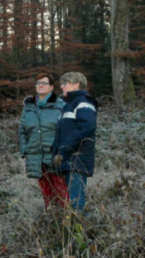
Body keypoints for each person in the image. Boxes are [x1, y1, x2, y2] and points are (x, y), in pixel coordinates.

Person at [51, 72, 98, 214]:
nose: (62, 86)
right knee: (66, 205)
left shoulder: (83, 102)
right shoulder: (67, 105)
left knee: (76, 205)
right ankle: (72, 233)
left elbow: (87, 126)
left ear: (76, 84)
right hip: (66, 160)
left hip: (77, 160)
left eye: (65, 83)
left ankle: (84, 233)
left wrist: (64, 149)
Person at [18, 73, 67, 207]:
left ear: (51, 87)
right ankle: (50, 217)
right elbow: (22, 131)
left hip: (54, 155)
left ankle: (66, 220)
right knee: (46, 191)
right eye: (38, 82)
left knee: (61, 189)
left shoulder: (60, 105)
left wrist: (61, 151)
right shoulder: (29, 107)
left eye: (44, 83)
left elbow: (66, 130)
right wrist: (25, 149)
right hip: (35, 156)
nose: (40, 85)